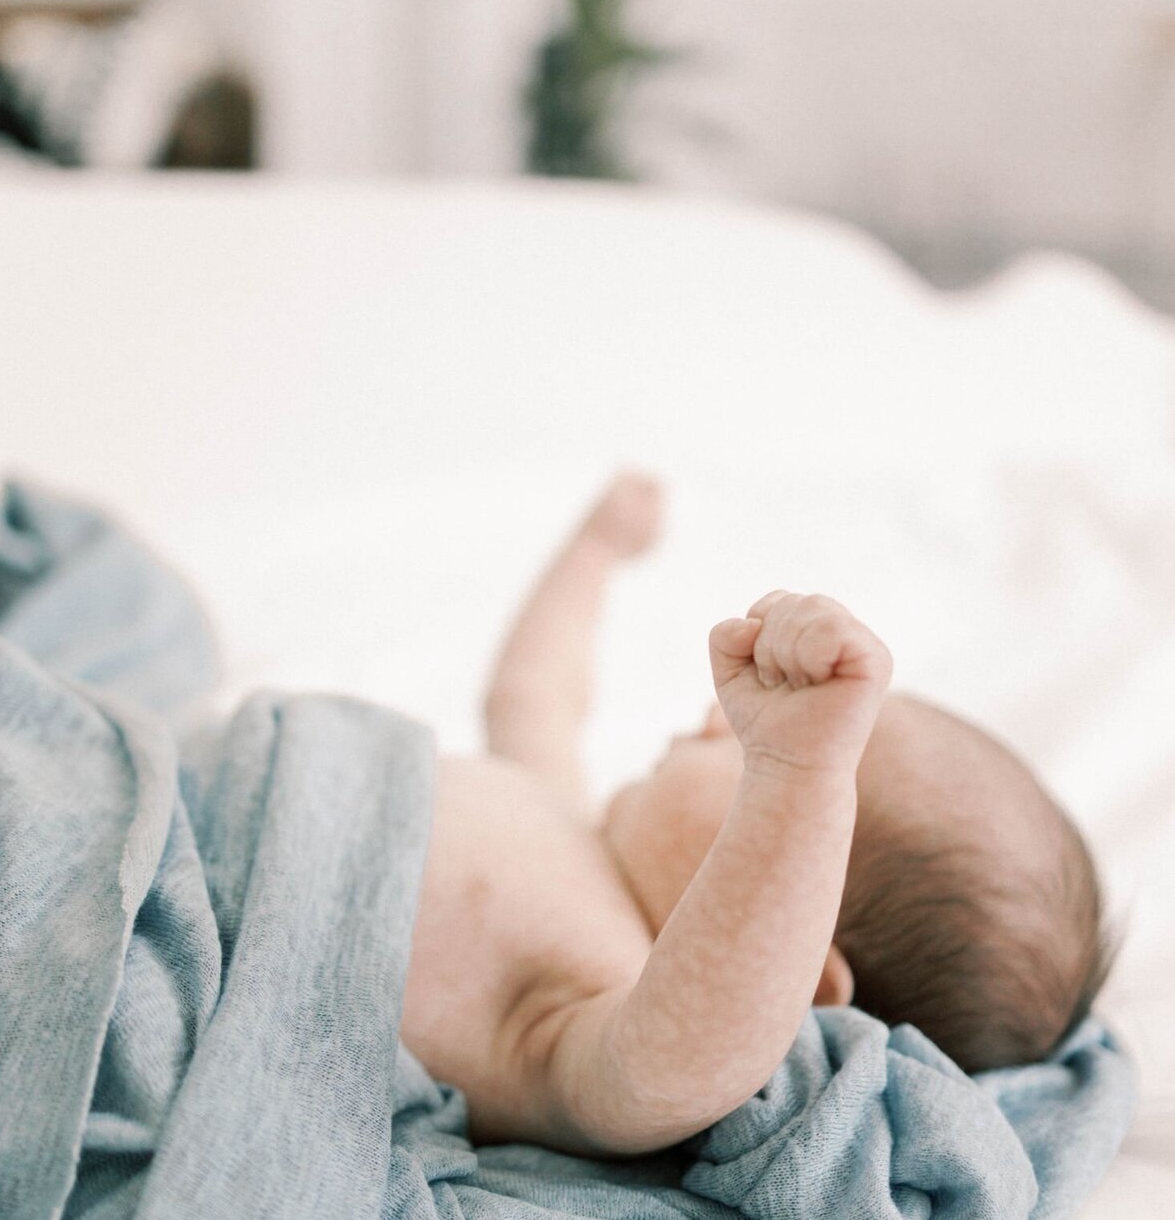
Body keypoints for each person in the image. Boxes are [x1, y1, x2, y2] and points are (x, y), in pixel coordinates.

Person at [400, 472, 1115, 1159]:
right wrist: (596, 551)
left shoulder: (607, 1003)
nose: (721, 718)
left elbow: (676, 1063)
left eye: (761, 761)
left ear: (795, 977)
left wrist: (799, 768)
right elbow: (532, 697)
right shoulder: (563, 814)